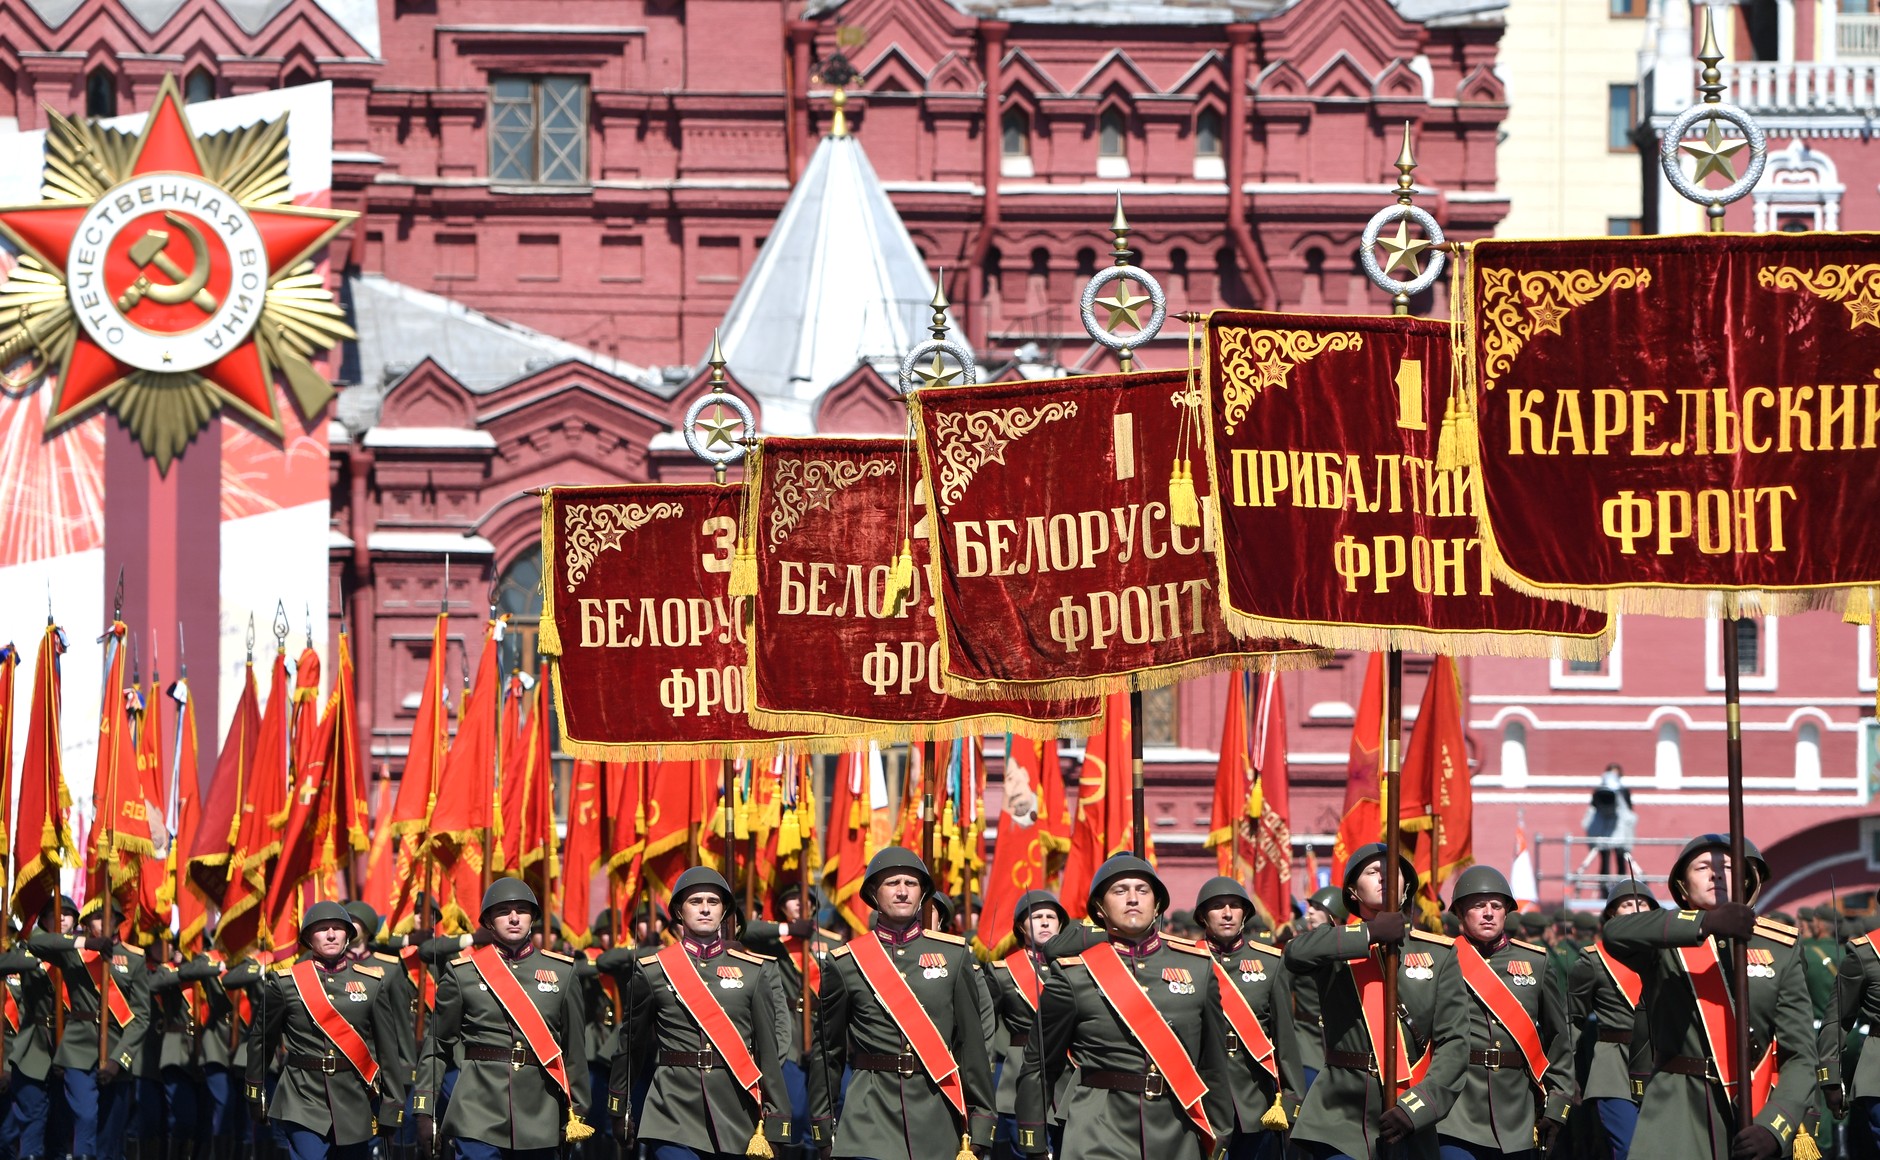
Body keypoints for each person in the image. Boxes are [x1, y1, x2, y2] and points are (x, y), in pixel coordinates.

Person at [1602, 834, 1818, 1160]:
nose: (1716, 874)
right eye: (1703, 867)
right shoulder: (1665, 938)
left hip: (1754, 1110)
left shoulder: (1780, 946)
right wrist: (1705, 923)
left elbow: (1800, 1055)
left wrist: (1776, 1126)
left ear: (1745, 881)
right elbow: (1615, 933)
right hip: (1677, 1111)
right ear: (1683, 886)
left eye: (1727, 867)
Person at [1016, 854, 1234, 1159]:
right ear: (1100, 909)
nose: (1133, 898)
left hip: (1177, 1130)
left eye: (1143, 890)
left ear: (1157, 905)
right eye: (1119, 891)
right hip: (1097, 1132)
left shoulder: (1197, 969)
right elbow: (1040, 1064)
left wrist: (1220, 1131)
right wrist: (1034, 1137)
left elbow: (1213, 1063)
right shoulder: (1074, 975)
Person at [809, 847, 996, 1160]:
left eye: (910, 884)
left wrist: (981, 1118)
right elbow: (828, 1051)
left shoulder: (954, 955)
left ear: (922, 894)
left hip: (935, 1108)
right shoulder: (845, 963)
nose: (902, 892)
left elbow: (970, 1044)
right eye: (892, 883)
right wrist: (822, 1122)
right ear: (873, 893)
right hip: (868, 1111)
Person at [1284, 842, 1468, 1160]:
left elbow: (1454, 1043)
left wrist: (1418, 1107)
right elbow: (1295, 954)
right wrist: (1369, 934)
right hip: (1340, 1114)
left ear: (1406, 887)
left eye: (1391, 871)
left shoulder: (1440, 954)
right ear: (1353, 893)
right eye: (1372, 872)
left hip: (1408, 1111)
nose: (1383, 877)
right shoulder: (1337, 945)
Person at [609, 867, 787, 1159]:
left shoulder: (754, 972)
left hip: (735, 1109)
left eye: (713, 902)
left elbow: (768, 1051)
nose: (705, 909)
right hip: (672, 1109)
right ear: (679, 911)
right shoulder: (653, 970)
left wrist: (778, 1117)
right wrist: (618, 1105)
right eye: (695, 901)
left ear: (724, 910)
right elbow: (631, 1044)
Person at [415, 879, 591, 1160]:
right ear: (487, 921)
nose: (513, 917)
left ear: (532, 918)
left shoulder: (562, 973)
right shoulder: (462, 974)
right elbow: (437, 1045)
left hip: (540, 1110)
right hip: (477, 1108)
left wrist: (577, 1110)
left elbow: (573, 1051)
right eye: (503, 911)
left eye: (521, 910)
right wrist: (424, 1107)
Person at [245, 901, 406, 1160]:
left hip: (354, 1098)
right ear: (309, 937)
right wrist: (255, 1091)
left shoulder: (372, 983)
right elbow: (261, 1040)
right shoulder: (285, 984)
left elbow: (388, 1050)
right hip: (302, 1096)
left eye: (337, 928)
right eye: (322, 929)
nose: (331, 935)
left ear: (347, 935)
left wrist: (392, 1104)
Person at [1435, 865, 1575, 1158]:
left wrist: (1558, 1102)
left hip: (1516, 1114)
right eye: (1478, 906)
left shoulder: (1537, 962)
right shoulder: (1442, 959)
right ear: (1460, 913)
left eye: (1496, 906)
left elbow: (1559, 1039)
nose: (1488, 913)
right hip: (1455, 1110)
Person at [29, 900, 151, 1160]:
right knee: (85, 1118)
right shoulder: (75, 951)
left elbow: (141, 1017)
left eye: (109, 917)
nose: (103, 922)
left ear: (118, 921)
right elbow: (36, 943)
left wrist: (119, 1060)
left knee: (110, 1136)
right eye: (96, 918)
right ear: (85, 924)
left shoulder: (134, 958)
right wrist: (83, 943)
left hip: (118, 1049)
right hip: (78, 1048)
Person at [1194, 876, 1302, 1160]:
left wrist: (1292, 1099)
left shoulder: (1270, 963)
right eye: (1217, 907)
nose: (1227, 913)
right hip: (1201, 1096)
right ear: (1203, 916)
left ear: (1245, 913)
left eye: (1234, 906)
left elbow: (1285, 1038)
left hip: (1255, 1099)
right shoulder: (1186, 962)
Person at [742, 884, 844, 1160]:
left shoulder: (831, 942)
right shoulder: (774, 940)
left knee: (822, 1114)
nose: (799, 905)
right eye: (791, 900)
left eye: (805, 900)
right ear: (782, 908)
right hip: (790, 1033)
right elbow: (743, 930)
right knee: (793, 1112)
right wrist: (787, 930)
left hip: (823, 1031)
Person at [1571, 878, 1657, 1160]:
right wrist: (1566, 1075)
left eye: (1642, 904)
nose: (1636, 909)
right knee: (1628, 1149)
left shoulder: (1669, 956)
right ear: (1611, 913)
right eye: (1627, 904)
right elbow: (1573, 1019)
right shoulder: (1593, 960)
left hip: (1661, 1062)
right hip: (1613, 1067)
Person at [985, 891, 1071, 1160]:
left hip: (1068, 1079)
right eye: (1036, 917)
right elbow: (984, 1029)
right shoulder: (1002, 973)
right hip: (1020, 1078)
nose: (1045, 922)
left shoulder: (1075, 969)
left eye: (1051, 917)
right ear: (1021, 926)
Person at [0, 902, 64, 1160]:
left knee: (16, 1135)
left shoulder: (22, 961)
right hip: (11, 1058)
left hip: (23, 1055)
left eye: (8, 932)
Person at [1294, 887, 1347, 1094]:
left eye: (1317, 907)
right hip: (1306, 1038)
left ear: (1334, 913)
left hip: (1344, 1040)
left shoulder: (1357, 947)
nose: (1310, 913)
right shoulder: (1299, 948)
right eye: (1310, 907)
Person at [1580, 765, 1637, 881]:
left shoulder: (1623, 792)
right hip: (1603, 830)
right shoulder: (1599, 791)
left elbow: (1628, 811)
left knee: (1621, 860)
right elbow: (1594, 807)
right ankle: (1603, 887)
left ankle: (1622, 884)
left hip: (1619, 830)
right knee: (1604, 860)